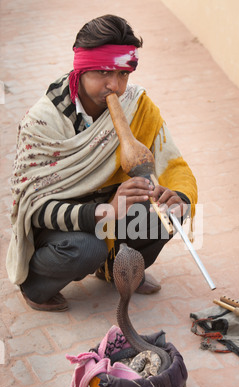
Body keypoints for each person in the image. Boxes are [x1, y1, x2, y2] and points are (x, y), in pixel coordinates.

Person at [6, 15, 198, 312]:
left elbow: (173, 164)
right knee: (87, 248)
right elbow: (34, 209)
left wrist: (181, 198)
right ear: (81, 69)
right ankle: (36, 286)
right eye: (103, 73)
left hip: (109, 210)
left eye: (123, 74)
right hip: (63, 223)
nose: (115, 86)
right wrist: (105, 211)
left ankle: (113, 269)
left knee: (164, 215)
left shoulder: (138, 105)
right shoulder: (42, 123)